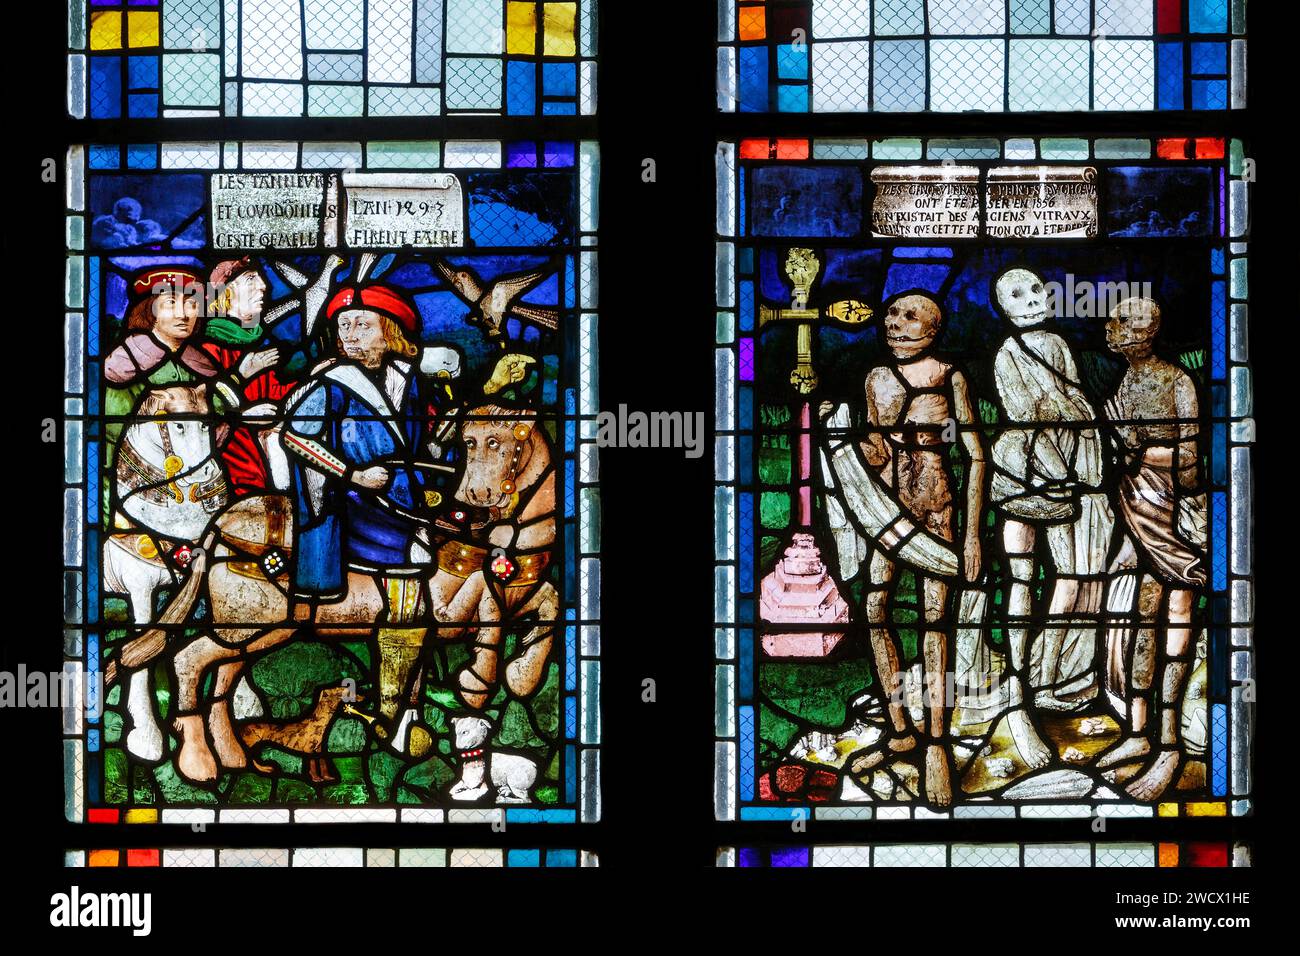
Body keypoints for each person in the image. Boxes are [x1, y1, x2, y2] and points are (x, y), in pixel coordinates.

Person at [819, 293, 984, 807]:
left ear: (934, 329)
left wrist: (974, 534)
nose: (895, 324)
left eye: (909, 316)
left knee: (936, 624)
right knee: (875, 611)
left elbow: (976, 455)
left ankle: (936, 741)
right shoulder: (875, 378)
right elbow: (876, 449)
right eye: (890, 315)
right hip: (886, 512)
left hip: (936, 511)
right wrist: (837, 430)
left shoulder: (950, 375)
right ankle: (899, 730)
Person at [281, 282, 461, 749]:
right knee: (408, 595)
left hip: (408, 501)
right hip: (358, 505)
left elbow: (423, 442)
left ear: (389, 331)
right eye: (343, 326)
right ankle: (392, 712)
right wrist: (352, 475)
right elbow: (295, 439)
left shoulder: (410, 378)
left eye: (362, 324)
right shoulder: (331, 383)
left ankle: (402, 708)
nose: (349, 334)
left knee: (416, 596)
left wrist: (443, 437)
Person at [988, 268, 1114, 767]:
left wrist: (1077, 454)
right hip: (1024, 470)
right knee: (1022, 577)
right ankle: (1023, 680)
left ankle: (1054, 674)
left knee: (1072, 575)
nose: (1030, 301)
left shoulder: (1057, 343)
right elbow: (1025, 410)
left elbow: (1072, 399)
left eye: (1036, 290)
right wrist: (1058, 464)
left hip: (1068, 467)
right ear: (1003, 307)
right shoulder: (1006, 353)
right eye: (1015, 295)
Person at [1097, 296, 1206, 801]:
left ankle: (1170, 747)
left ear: (1149, 330)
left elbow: (1190, 460)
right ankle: (1138, 733)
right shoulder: (1127, 381)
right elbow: (1124, 453)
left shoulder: (1179, 382)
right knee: (1143, 624)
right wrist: (1124, 446)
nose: (1111, 327)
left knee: (1176, 632)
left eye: (1123, 321)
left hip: (1175, 519)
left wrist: (1139, 448)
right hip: (1138, 512)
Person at [103, 268, 240, 528]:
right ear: (149, 310)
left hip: (197, 491)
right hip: (130, 489)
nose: (183, 313)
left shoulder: (201, 364)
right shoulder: (125, 363)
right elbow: (111, 427)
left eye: (190, 304)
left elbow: (225, 414)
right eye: (170, 303)